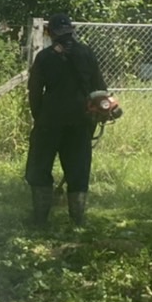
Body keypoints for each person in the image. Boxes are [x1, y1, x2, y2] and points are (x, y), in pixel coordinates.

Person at [25, 12, 106, 226]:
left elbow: (34, 91)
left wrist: (39, 116)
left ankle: (40, 220)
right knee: (79, 170)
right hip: (80, 121)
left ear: (50, 33)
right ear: (72, 31)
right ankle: (77, 221)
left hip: (49, 121)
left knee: (39, 168)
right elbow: (100, 88)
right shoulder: (87, 53)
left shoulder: (44, 57)